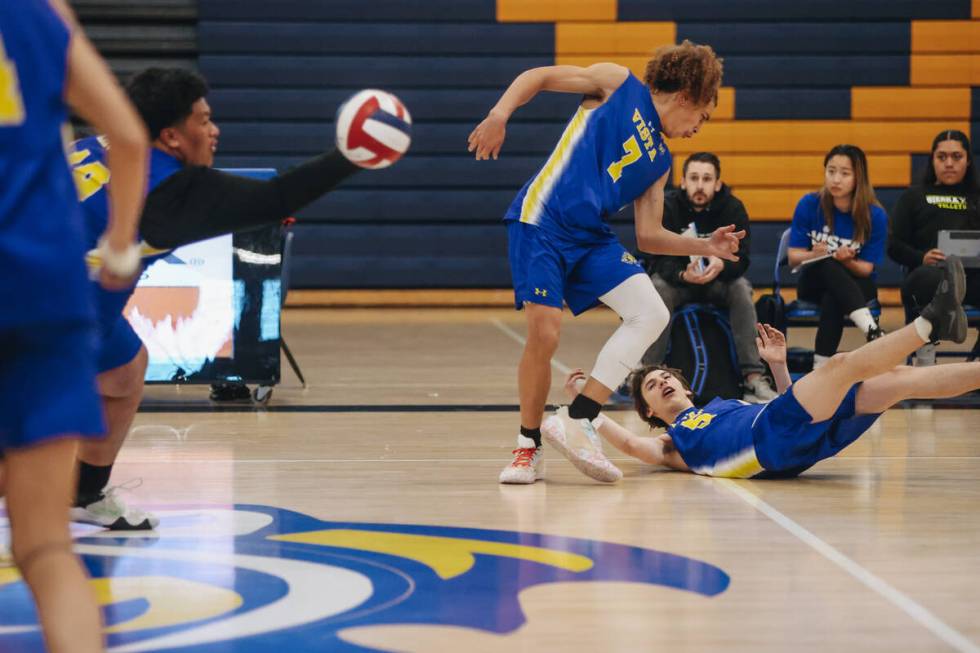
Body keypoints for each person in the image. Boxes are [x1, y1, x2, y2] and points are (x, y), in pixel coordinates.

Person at [68, 67, 389, 529]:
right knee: (29, 444)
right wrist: (354, 156)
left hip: (74, 301)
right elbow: (277, 198)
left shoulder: (94, 144)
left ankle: (84, 495)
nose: (214, 130)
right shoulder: (172, 192)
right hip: (43, 312)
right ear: (171, 137)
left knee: (124, 371)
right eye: (203, 120)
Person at [468, 41, 745, 485]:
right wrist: (499, 114)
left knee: (652, 310)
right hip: (542, 220)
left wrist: (706, 247)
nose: (698, 128)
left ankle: (579, 417)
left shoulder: (660, 161)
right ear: (686, 97)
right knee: (545, 331)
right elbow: (536, 77)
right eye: (702, 116)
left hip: (589, 237)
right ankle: (528, 446)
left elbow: (649, 235)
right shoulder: (617, 83)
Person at [0, 0, 148, 650]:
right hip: (44, 286)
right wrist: (119, 249)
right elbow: (131, 137)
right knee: (45, 547)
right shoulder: (38, 16)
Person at [544, 257, 971, 481]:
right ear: (649, 411)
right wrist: (589, 407)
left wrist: (780, 368)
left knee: (896, 382)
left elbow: (795, 406)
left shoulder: (726, 403)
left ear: (684, 384)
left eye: (665, 377)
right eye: (653, 387)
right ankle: (931, 324)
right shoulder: (673, 445)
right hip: (771, 445)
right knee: (841, 365)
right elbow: (635, 448)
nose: (662, 382)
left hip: (793, 440)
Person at [640, 151, 775, 403]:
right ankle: (649, 372)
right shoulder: (669, 207)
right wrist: (682, 274)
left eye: (706, 178)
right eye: (693, 178)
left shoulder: (732, 208)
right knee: (657, 287)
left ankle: (753, 378)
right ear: (683, 182)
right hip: (680, 283)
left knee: (741, 289)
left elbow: (743, 259)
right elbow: (656, 258)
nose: (699, 185)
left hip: (718, 282)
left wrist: (721, 265)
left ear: (717, 184)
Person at [788, 144, 889, 368]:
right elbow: (793, 256)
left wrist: (847, 261)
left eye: (845, 173)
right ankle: (871, 330)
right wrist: (813, 253)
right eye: (831, 171)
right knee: (826, 265)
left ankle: (820, 367)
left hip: (857, 284)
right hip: (813, 282)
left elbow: (866, 269)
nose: (836, 179)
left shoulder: (875, 215)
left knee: (834, 297)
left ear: (858, 177)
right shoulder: (809, 204)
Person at [888, 129, 980, 366]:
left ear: (968, 160)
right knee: (926, 280)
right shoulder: (913, 197)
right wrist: (922, 257)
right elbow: (893, 245)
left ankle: (975, 370)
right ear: (933, 160)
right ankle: (925, 360)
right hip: (930, 278)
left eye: (957, 157)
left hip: (974, 277)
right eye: (942, 157)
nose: (949, 163)